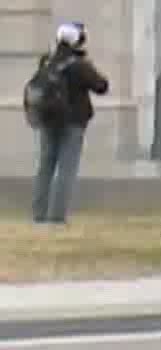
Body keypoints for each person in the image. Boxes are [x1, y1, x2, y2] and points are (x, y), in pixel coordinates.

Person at [27, 23, 110, 225]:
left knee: (45, 167)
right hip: (73, 123)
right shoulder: (79, 65)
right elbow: (101, 86)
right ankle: (56, 217)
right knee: (66, 169)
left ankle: (39, 214)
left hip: (48, 121)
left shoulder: (47, 61)